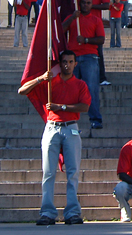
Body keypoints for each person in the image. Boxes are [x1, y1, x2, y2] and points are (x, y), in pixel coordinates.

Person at [18, 50, 91, 225]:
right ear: (60, 63)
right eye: (64, 61)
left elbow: (84, 107)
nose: (67, 65)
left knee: (72, 172)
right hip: (51, 128)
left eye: (70, 61)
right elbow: (22, 90)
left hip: (71, 128)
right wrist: (41, 79)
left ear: (75, 64)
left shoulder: (80, 84)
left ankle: (72, 212)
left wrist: (61, 107)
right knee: (48, 172)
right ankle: (48, 212)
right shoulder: (50, 83)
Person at [62, 0, 105, 129]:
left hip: (89, 57)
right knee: (69, 88)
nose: (86, 5)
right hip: (72, 58)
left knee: (91, 88)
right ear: (79, 4)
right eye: (83, 2)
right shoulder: (73, 18)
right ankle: (67, 118)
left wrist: (86, 40)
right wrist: (72, 18)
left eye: (88, 3)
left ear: (91, 4)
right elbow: (61, 29)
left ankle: (95, 119)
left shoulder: (96, 20)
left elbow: (101, 39)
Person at [84, 0, 111, 86]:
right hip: (82, 24)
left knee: (98, 52)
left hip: (96, 24)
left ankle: (101, 77)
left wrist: (91, 6)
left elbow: (106, 5)